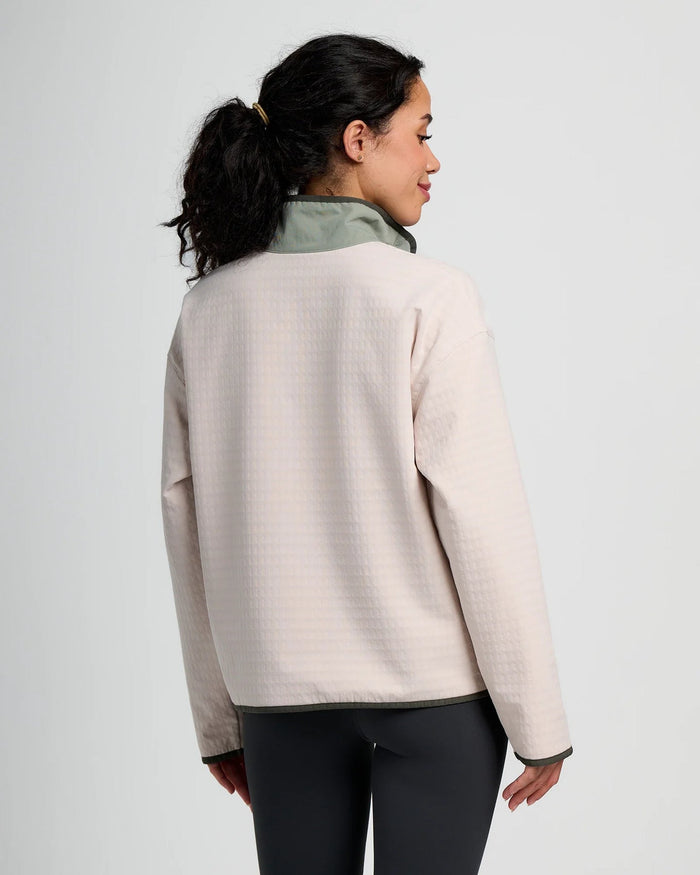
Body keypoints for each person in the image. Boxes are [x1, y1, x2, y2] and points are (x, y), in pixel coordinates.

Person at [159, 32, 573, 875]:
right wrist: (541, 722)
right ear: (358, 138)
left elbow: (185, 520)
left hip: (277, 697)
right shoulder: (430, 298)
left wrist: (219, 723)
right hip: (434, 697)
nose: (433, 159)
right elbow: (482, 518)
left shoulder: (210, 311)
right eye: (421, 132)